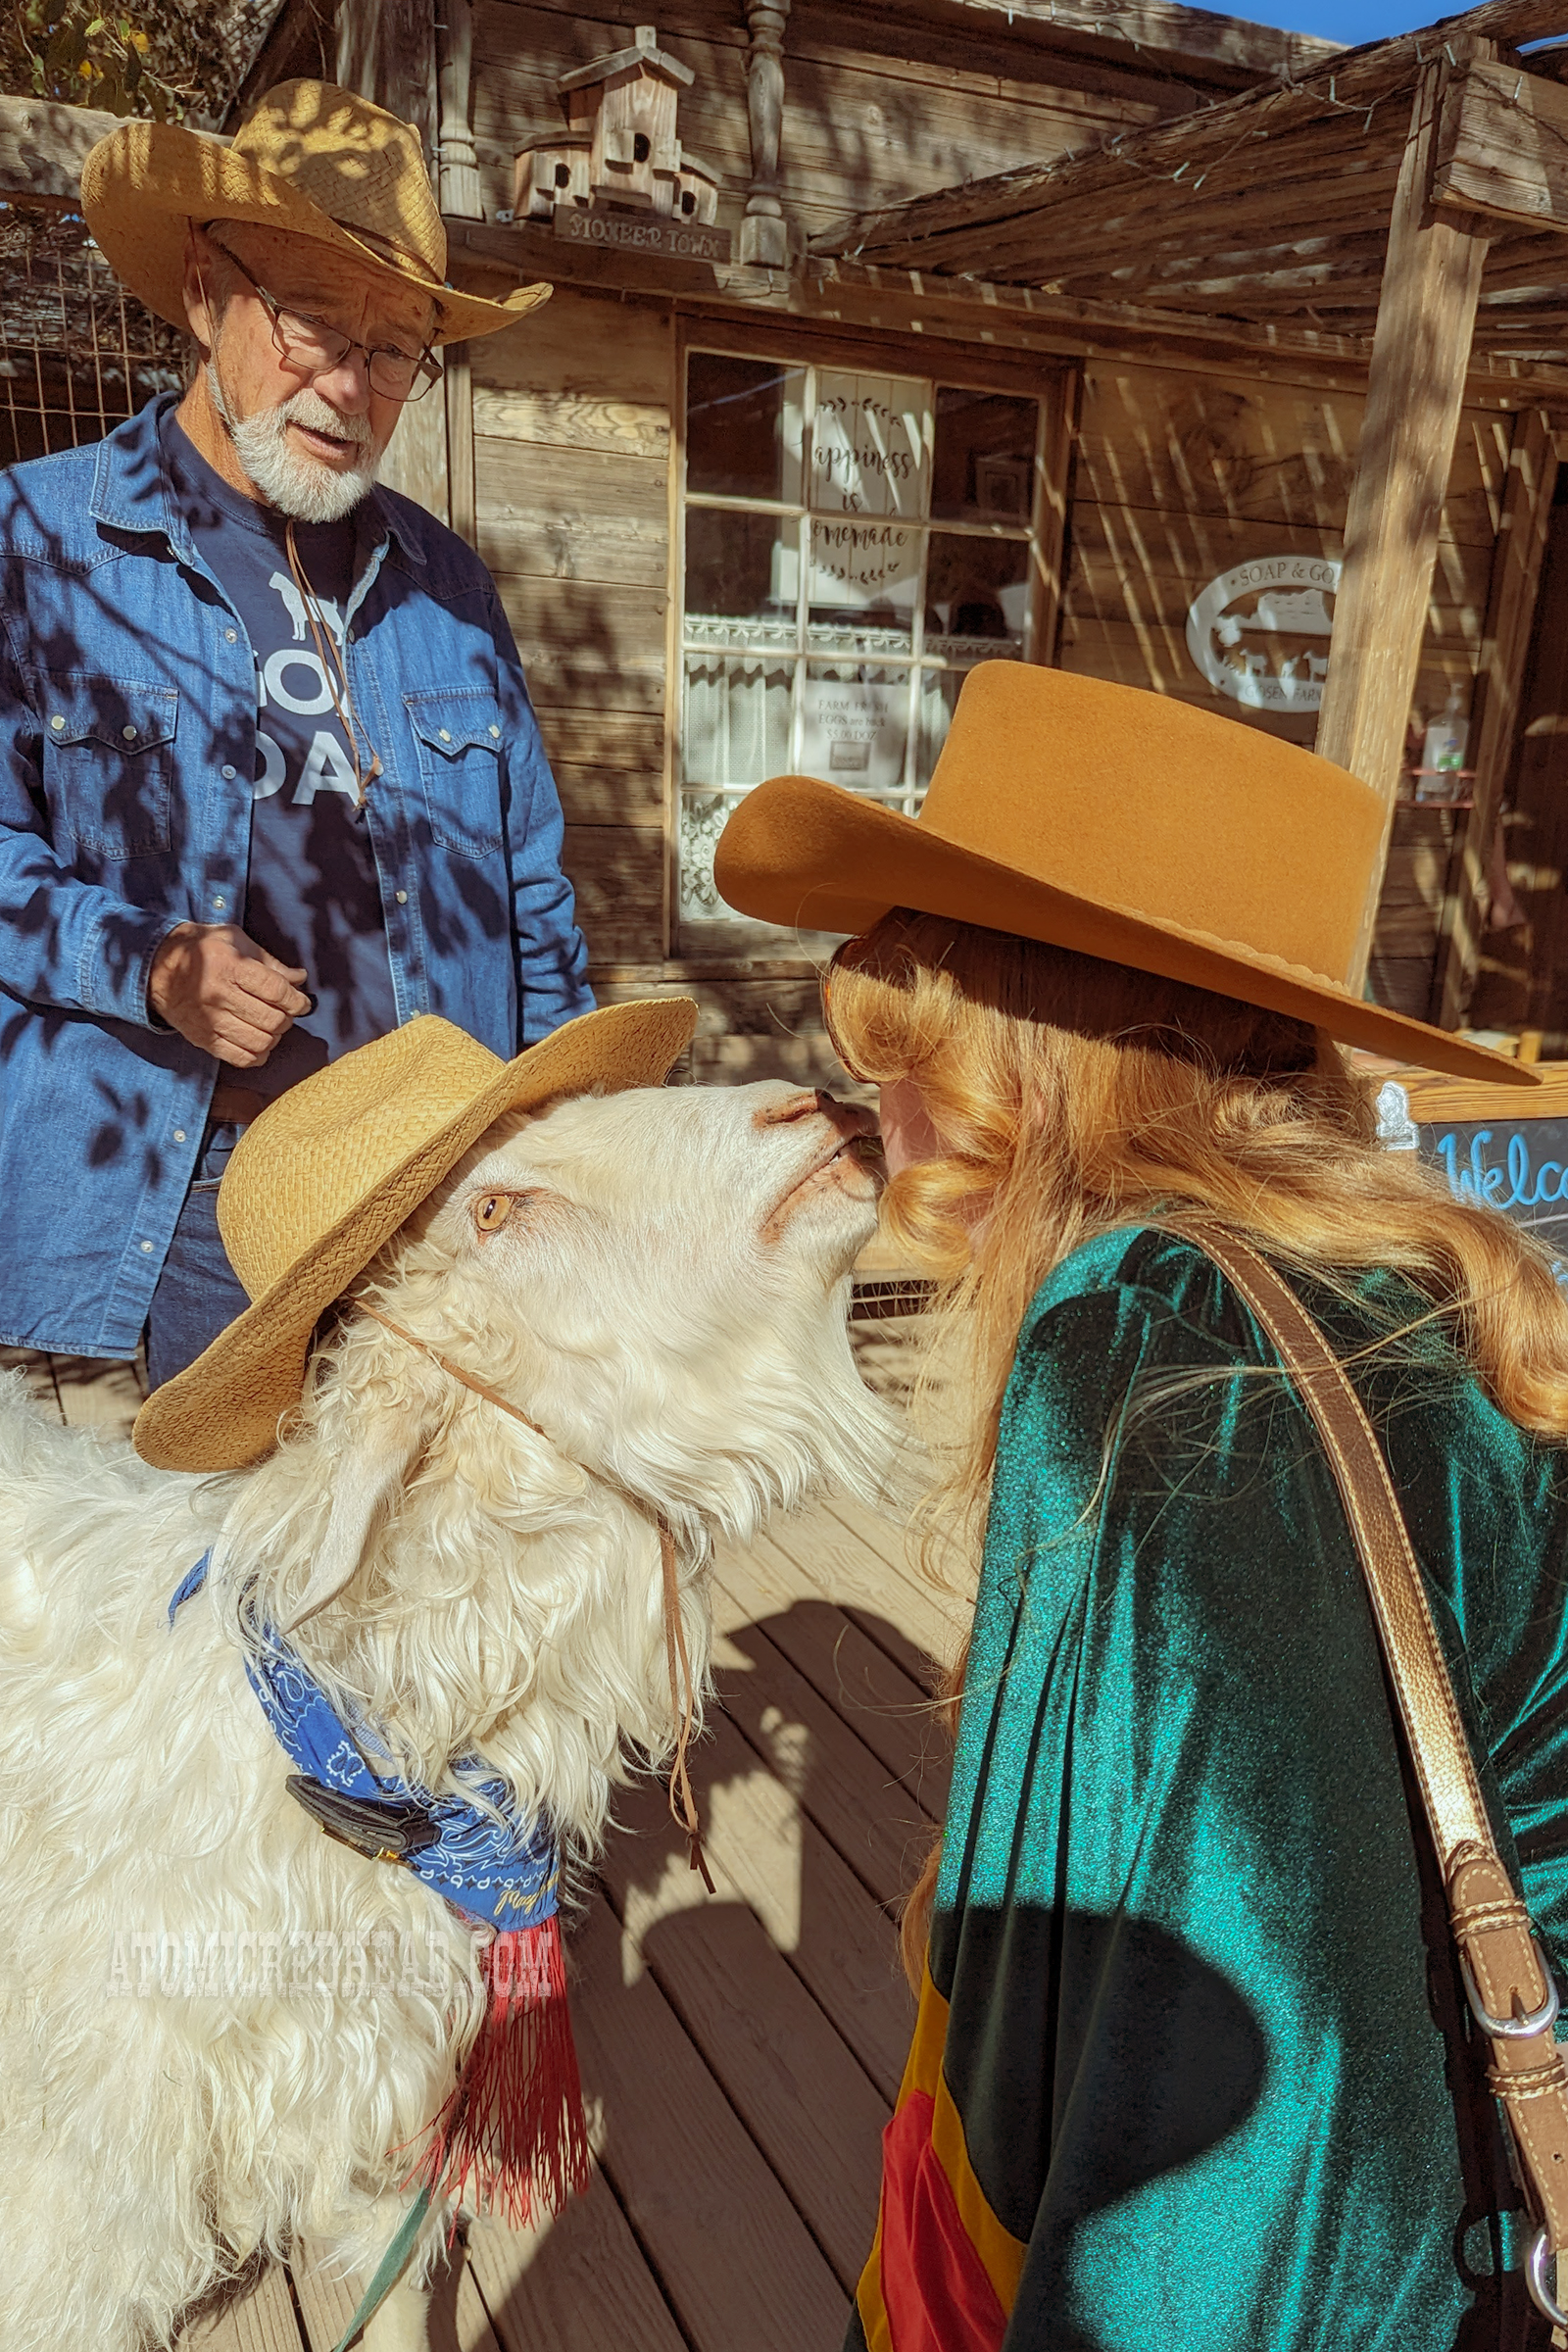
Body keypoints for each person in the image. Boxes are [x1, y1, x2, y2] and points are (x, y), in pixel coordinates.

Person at [713, 661, 1568, 2349]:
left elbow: (1246, 2088)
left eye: (909, 1043)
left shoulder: (1151, 1335)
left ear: (1029, 1051)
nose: (874, 1107)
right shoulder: (1407, 1281)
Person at [0, 79, 592, 1387]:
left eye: (396, 351)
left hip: (443, 1185)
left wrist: (566, 1142)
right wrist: (149, 965)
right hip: (208, 1192)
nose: (351, 386)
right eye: (317, 322)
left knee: (435, 1567)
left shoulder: (449, 585)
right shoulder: (34, 543)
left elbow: (533, 897)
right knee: (226, 1569)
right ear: (207, 289)